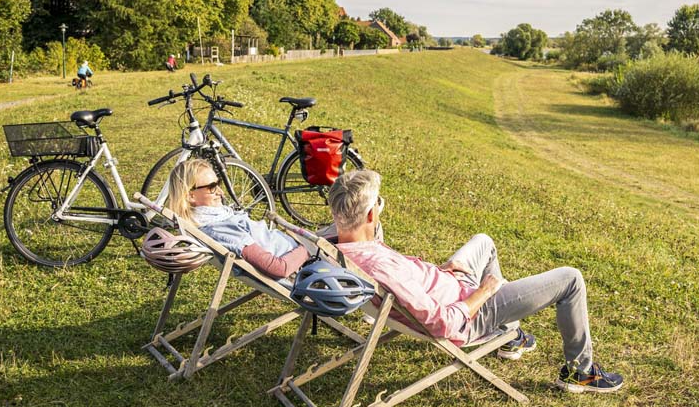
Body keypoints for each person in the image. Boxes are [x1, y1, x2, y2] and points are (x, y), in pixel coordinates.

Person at [327, 169, 625, 394]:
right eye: (378, 204)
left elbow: (408, 281)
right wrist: (483, 292)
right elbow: (441, 322)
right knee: (571, 279)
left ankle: (510, 335)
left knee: (483, 242)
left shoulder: (345, 247)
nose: (381, 207)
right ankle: (579, 371)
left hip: (450, 284)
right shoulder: (377, 265)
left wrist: (440, 272)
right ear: (369, 215)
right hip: (469, 314)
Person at [164, 159, 383, 281]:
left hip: (301, 249)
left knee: (360, 218)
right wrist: (307, 246)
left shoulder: (210, 219)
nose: (220, 191)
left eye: (218, 183)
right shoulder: (220, 230)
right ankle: (376, 288)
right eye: (212, 187)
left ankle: (377, 273)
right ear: (190, 196)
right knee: (368, 219)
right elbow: (278, 268)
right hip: (308, 265)